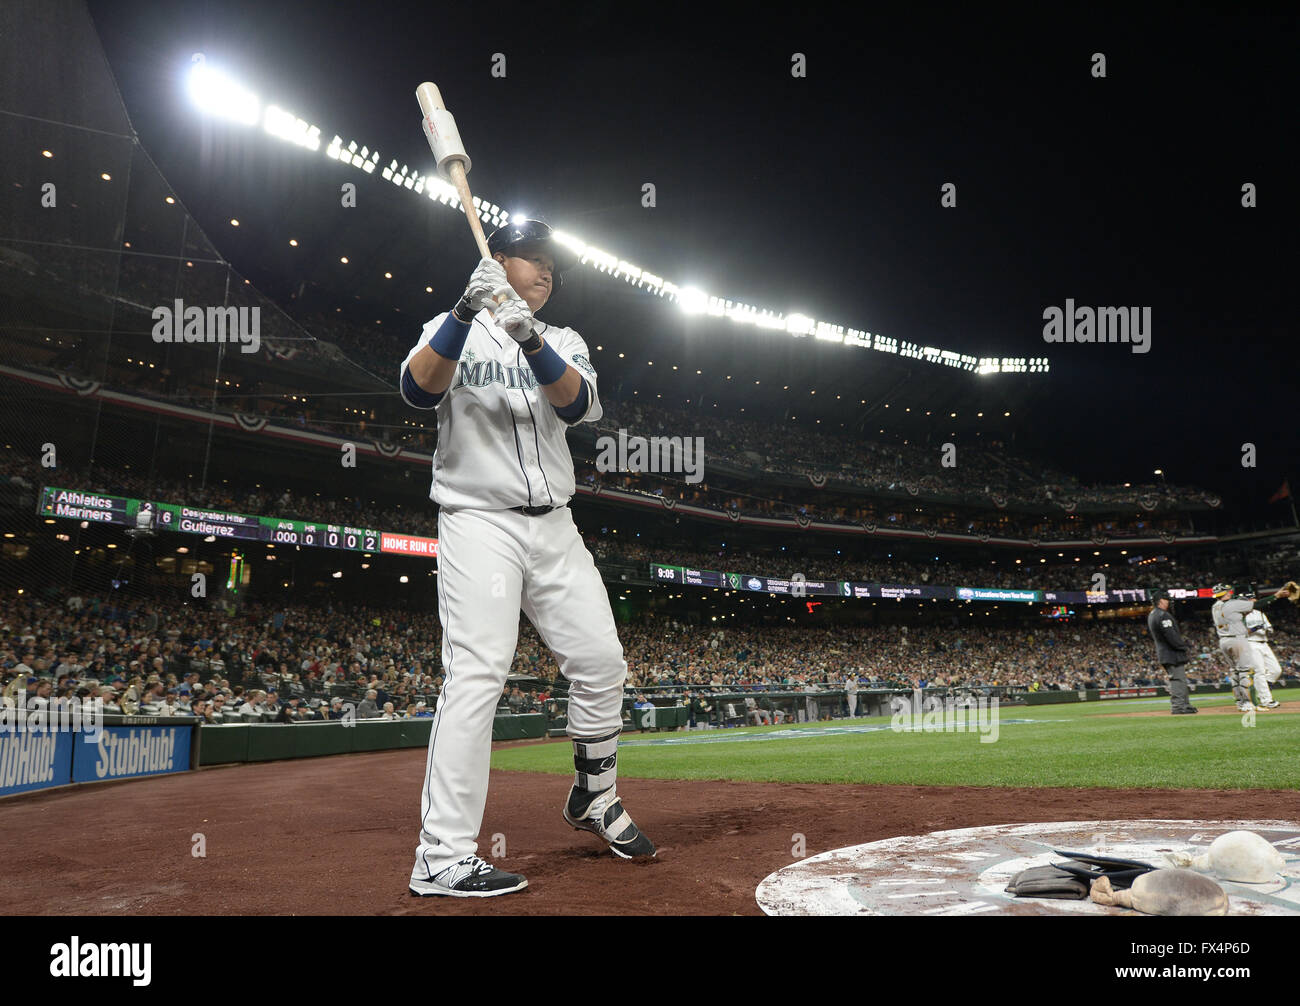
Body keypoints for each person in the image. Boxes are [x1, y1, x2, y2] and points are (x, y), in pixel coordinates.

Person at [399, 219, 653, 899]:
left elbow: (577, 405)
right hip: (479, 520)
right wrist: (463, 312)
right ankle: (443, 856)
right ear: (497, 259)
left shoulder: (563, 339)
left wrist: (529, 335)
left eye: (552, 267)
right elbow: (418, 391)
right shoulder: (446, 326)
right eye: (532, 262)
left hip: (555, 528)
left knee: (602, 662)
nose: (546, 274)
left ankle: (594, 797)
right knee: (478, 675)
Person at [1211, 583, 1291, 712]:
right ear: (1226, 593)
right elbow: (1258, 604)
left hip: (1225, 640)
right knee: (1246, 672)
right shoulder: (1231, 604)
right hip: (1238, 639)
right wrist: (1277, 595)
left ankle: (1243, 701)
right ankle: (1251, 702)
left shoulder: (1215, 606)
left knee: (1237, 672)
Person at [1146, 590, 1196, 714]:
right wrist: (1183, 647)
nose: (1168, 602)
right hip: (1171, 653)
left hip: (1165, 652)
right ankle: (1178, 706)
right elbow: (1171, 636)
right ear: (1161, 601)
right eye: (1167, 599)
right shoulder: (1163, 615)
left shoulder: (1152, 614)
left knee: (1180, 679)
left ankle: (1185, 705)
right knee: (1178, 680)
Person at [1244, 606, 1283, 709]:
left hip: (1264, 643)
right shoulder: (1241, 614)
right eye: (1250, 599)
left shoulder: (1260, 613)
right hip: (1251, 643)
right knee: (1260, 671)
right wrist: (1254, 628)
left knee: (1276, 670)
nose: (1253, 600)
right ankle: (1266, 700)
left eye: (1253, 598)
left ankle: (1265, 686)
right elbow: (1242, 632)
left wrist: (1267, 628)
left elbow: (1270, 628)